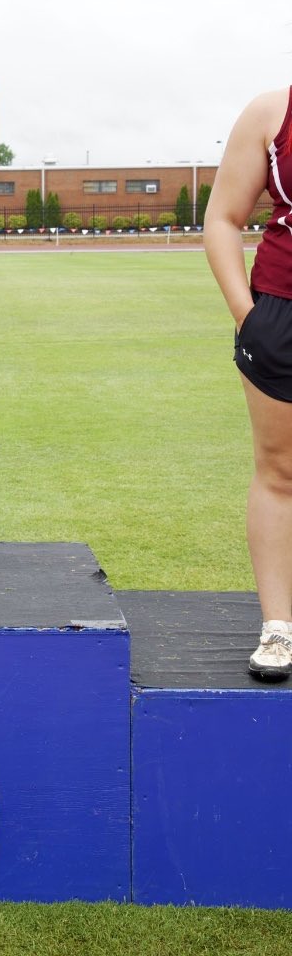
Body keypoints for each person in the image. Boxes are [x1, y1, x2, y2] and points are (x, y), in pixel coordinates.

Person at [204, 87, 292, 679]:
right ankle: (278, 627)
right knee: (280, 471)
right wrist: (248, 316)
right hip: (281, 312)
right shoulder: (272, 112)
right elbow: (223, 217)